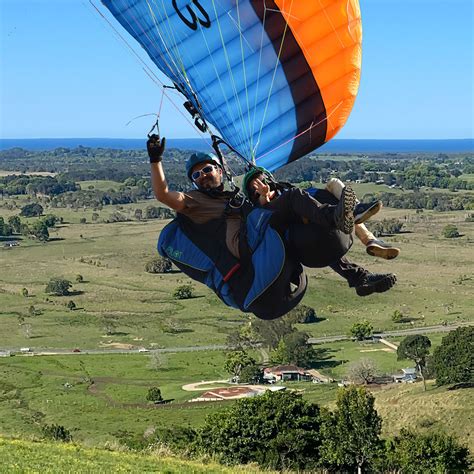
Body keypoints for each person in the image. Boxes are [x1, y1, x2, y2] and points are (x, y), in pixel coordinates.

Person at [242, 167, 398, 296]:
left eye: (263, 184)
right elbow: (266, 211)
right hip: (304, 247)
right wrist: (264, 197)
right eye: (255, 191)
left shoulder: (292, 196)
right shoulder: (264, 214)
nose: (262, 189)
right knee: (297, 199)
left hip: (320, 245)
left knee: (333, 185)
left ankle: (362, 273)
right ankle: (338, 216)